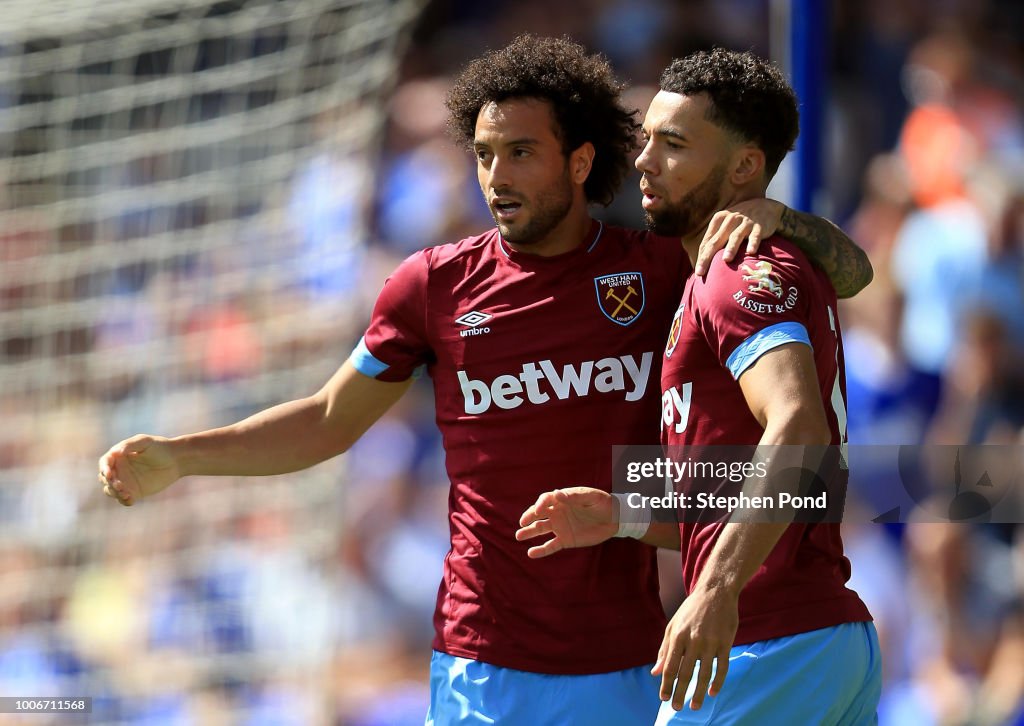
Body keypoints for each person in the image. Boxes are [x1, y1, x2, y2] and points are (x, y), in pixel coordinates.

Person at [98, 37, 872, 725]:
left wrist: (778, 216)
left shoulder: (662, 268)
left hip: (632, 661)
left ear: (579, 160)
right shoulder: (431, 286)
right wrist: (183, 456)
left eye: (521, 153)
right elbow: (328, 419)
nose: (495, 176)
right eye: (483, 153)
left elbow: (846, 279)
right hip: (481, 661)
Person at [518, 48, 881, 724]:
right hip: (822, 642)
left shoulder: (735, 271)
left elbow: (800, 429)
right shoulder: (748, 264)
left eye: (674, 144)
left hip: (764, 643)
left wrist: (714, 587)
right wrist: (622, 515)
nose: (645, 162)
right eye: (647, 140)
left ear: (745, 166)